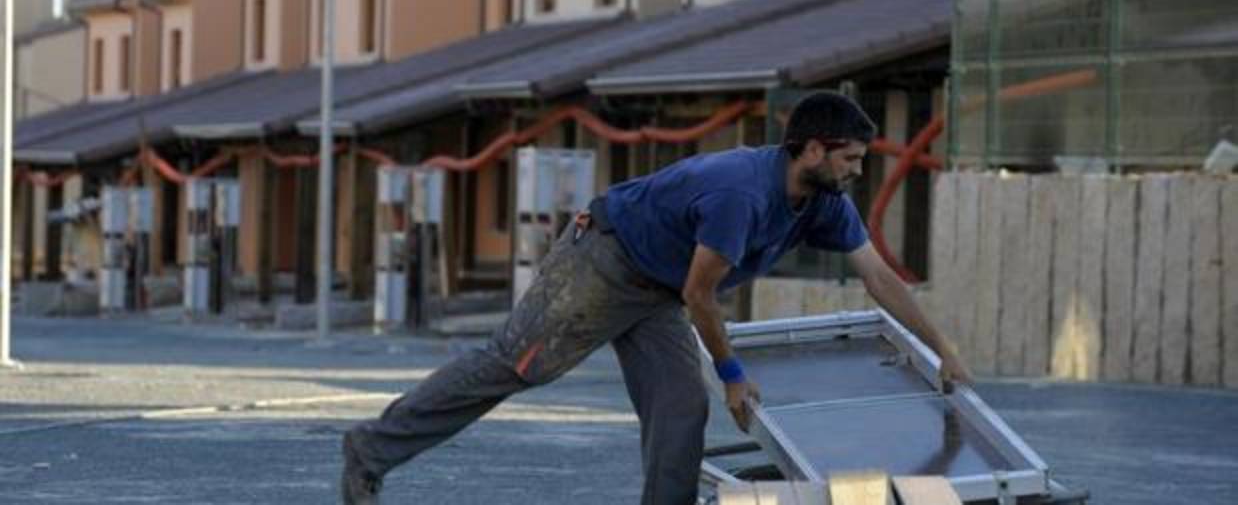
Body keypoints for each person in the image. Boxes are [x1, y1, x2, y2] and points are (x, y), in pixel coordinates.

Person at [341, 91, 972, 505]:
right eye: (851, 158)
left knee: (679, 410)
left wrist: (939, 347)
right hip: (606, 261)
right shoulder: (743, 195)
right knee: (515, 365)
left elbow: (881, 278)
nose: (858, 170)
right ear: (811, 149)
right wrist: (732, 373)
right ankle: (371, 450)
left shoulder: (827, 203)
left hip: (660, 290)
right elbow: (702, 294)